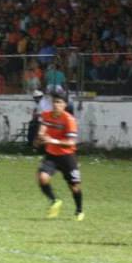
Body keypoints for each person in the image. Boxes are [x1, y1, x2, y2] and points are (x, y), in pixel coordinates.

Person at [37, 92, 84, 221]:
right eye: (54, 102)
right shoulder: (46, 115)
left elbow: (71, 143)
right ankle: (55, 201)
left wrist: (52, 141)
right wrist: (40, 137)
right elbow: (42, 131)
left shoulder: (69, 120)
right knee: (42, 178)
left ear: (65, 105)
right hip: (51, 155)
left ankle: (79, 210)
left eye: (59, 102)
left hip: (67, 157)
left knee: (74, 187)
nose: (56, 104)